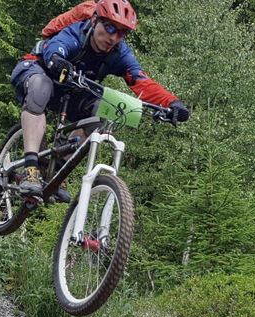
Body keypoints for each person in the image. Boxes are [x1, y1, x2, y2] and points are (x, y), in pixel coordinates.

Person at [10, 0, 190, 201]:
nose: (113, 37)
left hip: (71, 90)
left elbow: (142, 82)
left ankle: (57, 169)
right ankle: (31, 170)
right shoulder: (76, 33)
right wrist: (58, 61)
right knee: (40, 87)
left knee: (103, 113)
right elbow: (56, 48)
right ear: (95, 20)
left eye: (121, 33)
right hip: (37, 70)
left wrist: (172, 103)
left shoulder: (119, 53)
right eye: (110, 27)